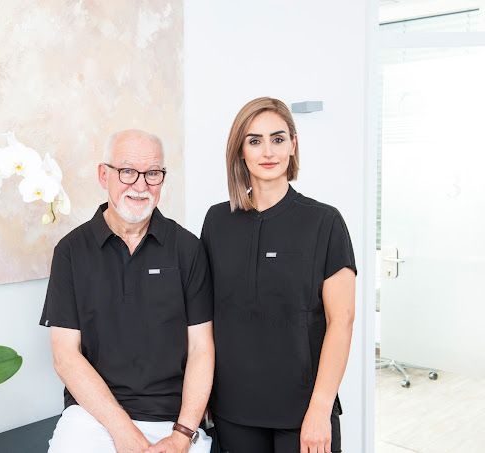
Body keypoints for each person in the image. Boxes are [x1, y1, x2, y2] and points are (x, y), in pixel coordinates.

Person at [40, 129, 215, 453]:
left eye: (153, 173)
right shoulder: (71, 251)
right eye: (127, 171)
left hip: (173, 421)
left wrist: (182, 434)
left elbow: (201, 349)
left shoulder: (187, 249)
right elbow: (65, 357)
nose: (140, 185)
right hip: (92, 416)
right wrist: (122, 430)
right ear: (103, 175)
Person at [201, 97, 356, 453]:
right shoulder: (217, 221)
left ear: (293, 145)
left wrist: (320, 409)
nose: (268, 151)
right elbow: (205, 315)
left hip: (304, 412)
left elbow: (342, 321)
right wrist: (203, 396)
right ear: (240, 151)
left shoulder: (325, 222)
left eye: (278, 138)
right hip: (233, 410)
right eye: (254, 141)